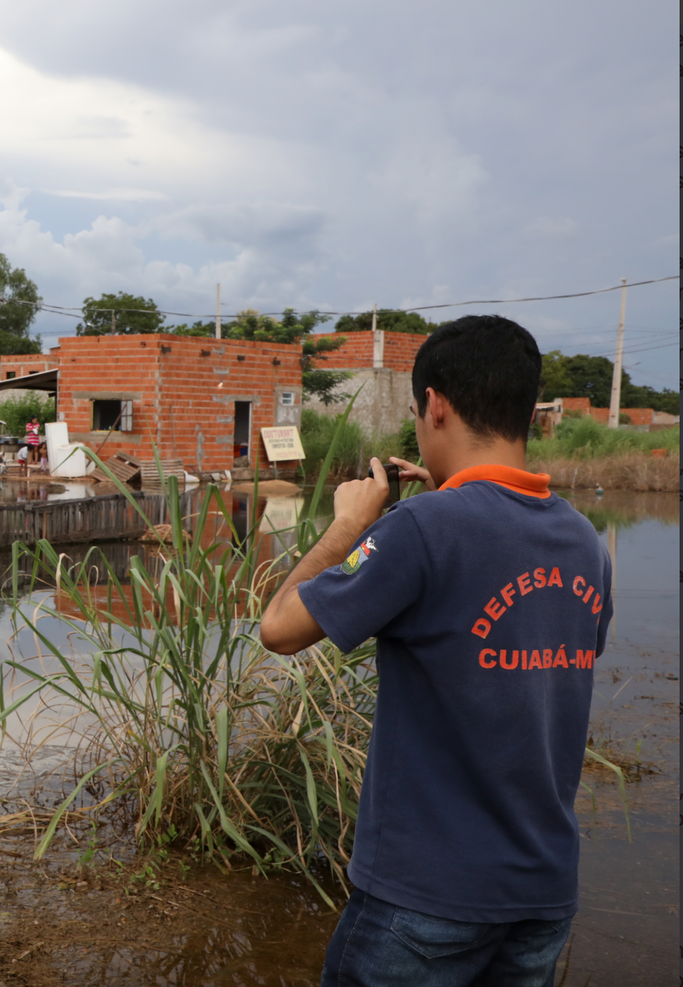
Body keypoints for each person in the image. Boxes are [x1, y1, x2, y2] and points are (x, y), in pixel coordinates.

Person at [258, 316, 609, 987]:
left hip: (426, 896)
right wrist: (443, 506)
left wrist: (351, 526)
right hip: (542, 896)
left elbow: (279, 628)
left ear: (435, 405)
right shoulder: (585, 540)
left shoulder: (419, 528)